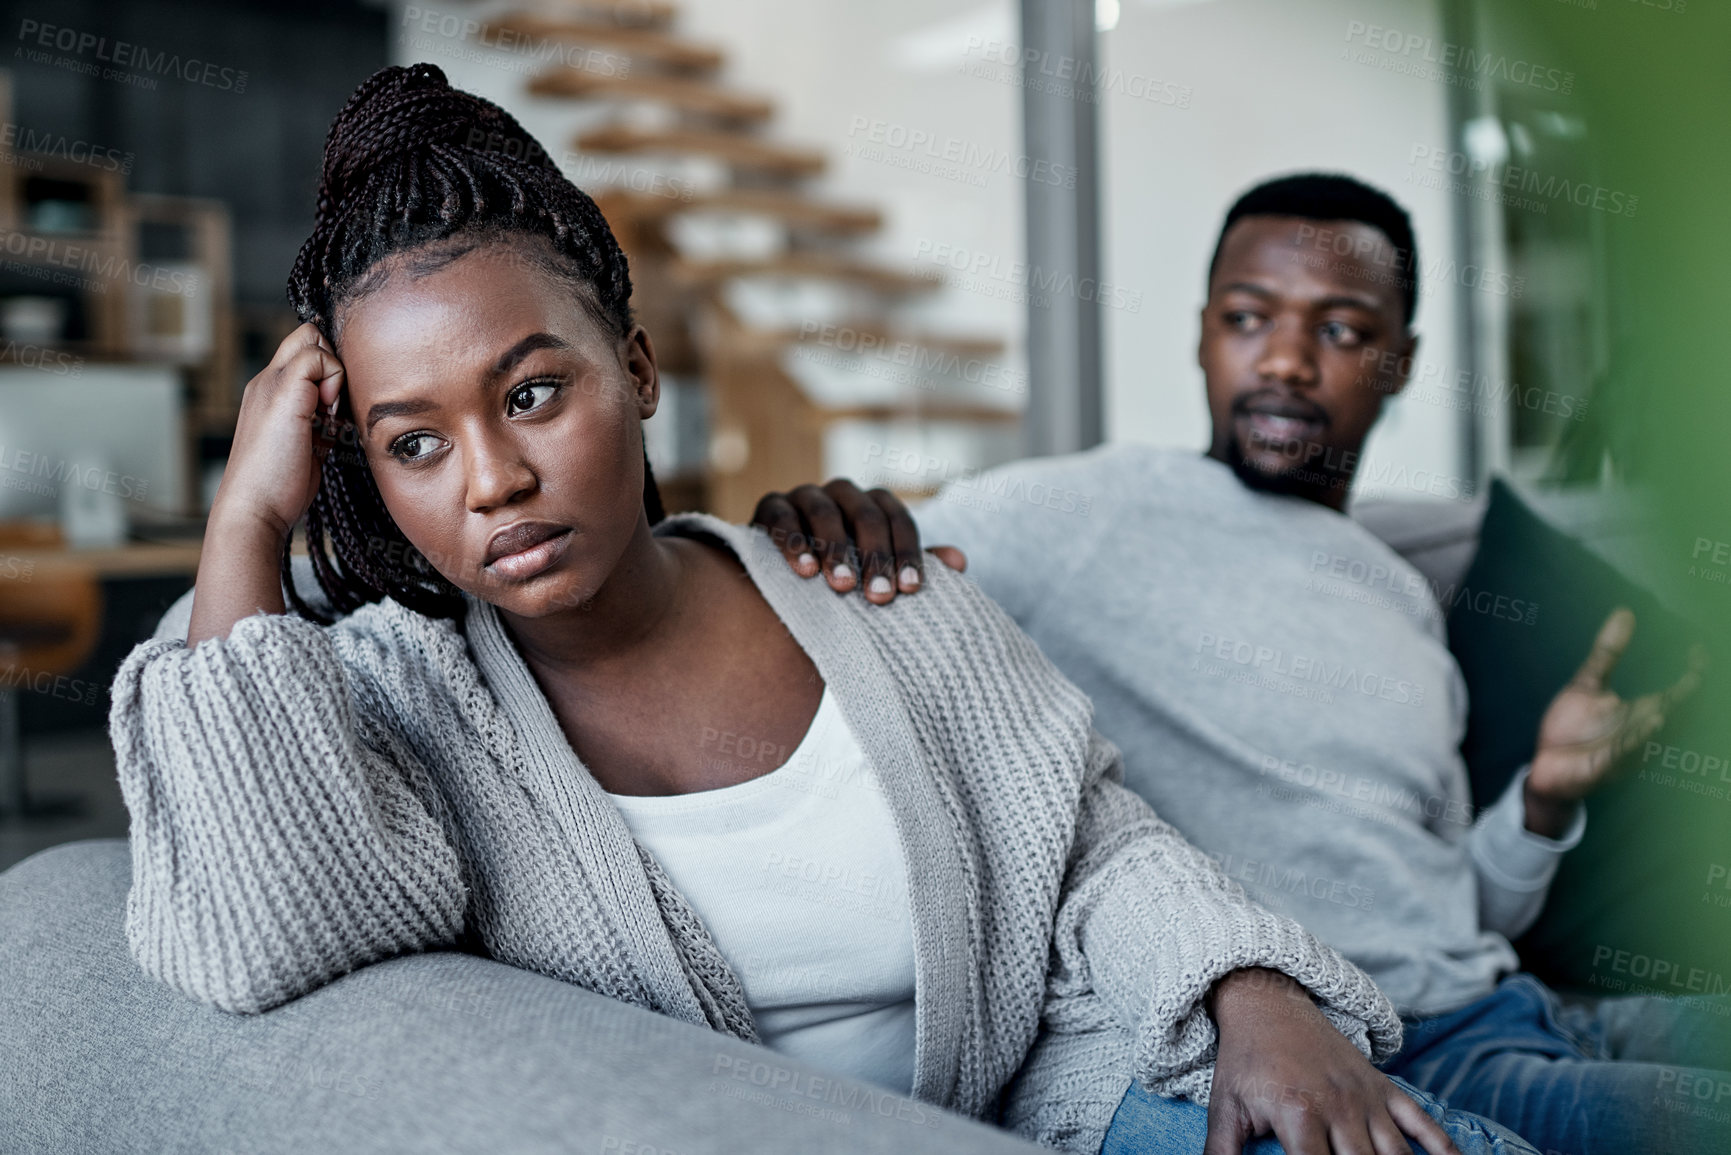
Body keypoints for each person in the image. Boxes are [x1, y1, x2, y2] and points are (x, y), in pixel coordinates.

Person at [105, 72, 1533, 1155]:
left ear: (639, 369)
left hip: (1043, 1096)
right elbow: (264, 928)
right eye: (413, 441)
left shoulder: (862, 587)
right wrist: (248, 517)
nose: (492, 478)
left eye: (534, 390)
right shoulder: (397, 703)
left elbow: (1089, 837)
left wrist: (1249, 991)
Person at [752, 173, 1725, 1155]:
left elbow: (1449, 906)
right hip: (1393, 1054)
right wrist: (819, 523)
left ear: (1400, 360)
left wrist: (1545, 800)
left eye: (1341, 331)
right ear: (1204, 333)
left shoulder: (1402, 597)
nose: (1289, 361)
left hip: (1532, 1010)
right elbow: (847, 574)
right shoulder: (1087, 511)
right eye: (1250, 317)